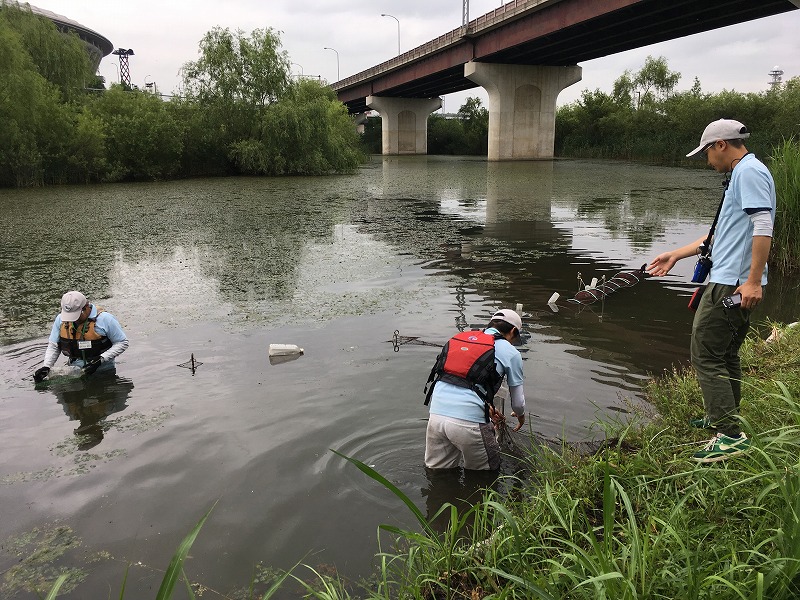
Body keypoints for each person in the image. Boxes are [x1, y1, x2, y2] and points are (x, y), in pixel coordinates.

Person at [647, 119, 775, 463]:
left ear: (721, 145)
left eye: (707, 152)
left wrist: (751, 281)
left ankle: (730, 436)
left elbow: (764, 225)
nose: (707, 160)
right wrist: (676, 253)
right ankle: (724, 415)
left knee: (704, 351)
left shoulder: (748, 173)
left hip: (731, 282)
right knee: (725, 352)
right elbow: (719, 235)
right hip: (730, 277)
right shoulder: (743, 172)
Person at [424, 309, 526, 470]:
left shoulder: (461, 339)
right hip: (469, 423)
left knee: (438, 473)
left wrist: (488, 407)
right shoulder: (510, 352)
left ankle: (437, 494)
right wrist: (520, 416)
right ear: (513, 331)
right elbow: (518, 402)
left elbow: (463, 380)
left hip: (436, 416)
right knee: (485, 476)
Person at [33, 291, 129, 383]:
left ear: (86, 307)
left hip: (103, 370)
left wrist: (101, 359)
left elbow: (122, 342)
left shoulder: (105, 319)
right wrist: (47, 366)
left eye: (75, 315)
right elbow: (54, 346)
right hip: (74, 370)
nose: (72, 320)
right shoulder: (60, 320)